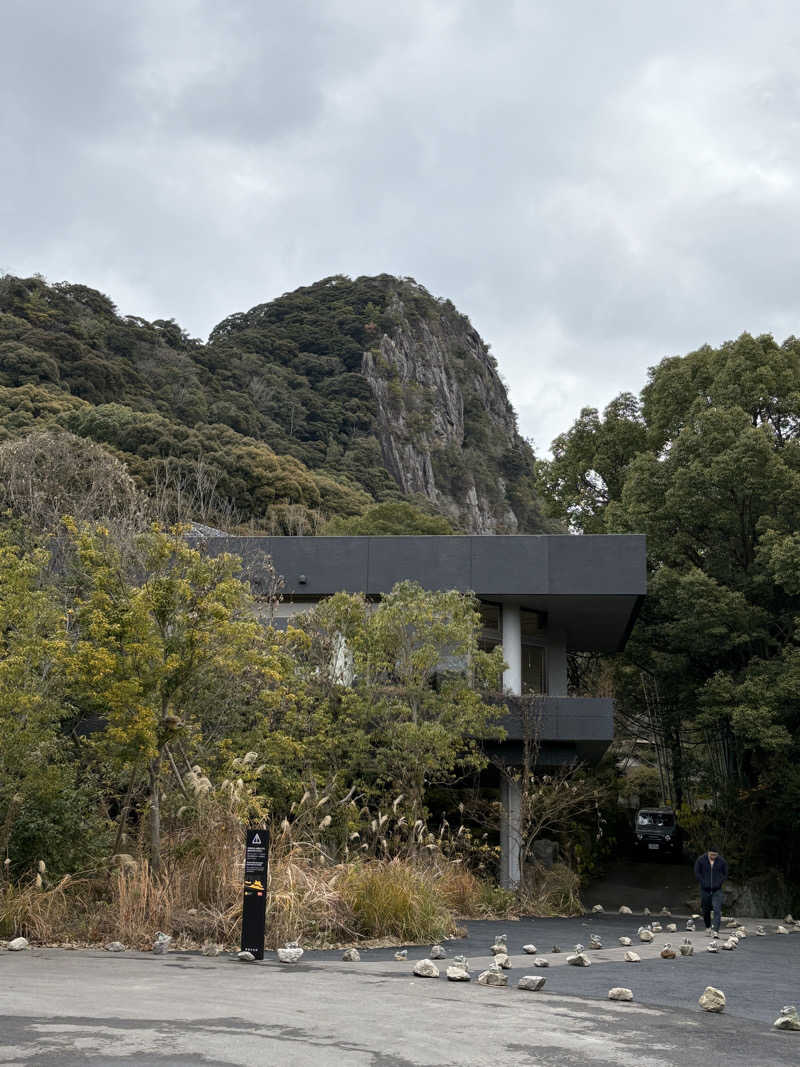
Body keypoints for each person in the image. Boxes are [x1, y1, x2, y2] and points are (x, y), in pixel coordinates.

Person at [694, 846, 728, 935]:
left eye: (715, 855)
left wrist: (719, 883)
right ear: (708, 853)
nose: (713, 856)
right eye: (712, 855)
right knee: (706, 909)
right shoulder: (701, 860)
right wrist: (703, 882)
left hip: (717, 889)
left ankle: (715, 930)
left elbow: (725, 874)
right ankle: (708, 926)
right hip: (705, 889)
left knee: (717, 909)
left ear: (718, 854)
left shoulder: (722, 861)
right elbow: (697, 872)